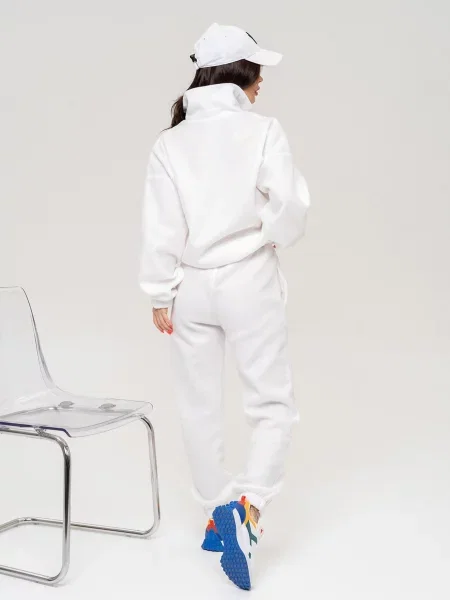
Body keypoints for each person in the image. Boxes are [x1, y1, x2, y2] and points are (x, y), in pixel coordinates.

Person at [139, 22, 310, 590]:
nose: (262, 82)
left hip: (190, 288)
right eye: (258, 71)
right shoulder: (262, 131)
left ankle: (218, 510)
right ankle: (248, 511)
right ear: (240, 72)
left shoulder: (171, 142)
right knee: (271, 402)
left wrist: (159, 291)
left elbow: (161, 226)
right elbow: (290, 209)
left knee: (198, 405)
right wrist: (269, 233)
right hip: (248, 280)